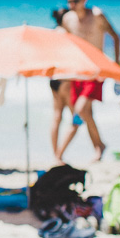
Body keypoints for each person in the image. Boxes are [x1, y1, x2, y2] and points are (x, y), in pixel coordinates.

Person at [55, 0, 120, 162]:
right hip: (77, 71)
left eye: (75, 1)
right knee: (86, 114)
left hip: (95, 70)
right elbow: (64, 44)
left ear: (85, 0)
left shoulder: (97, 15)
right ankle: (99, 146)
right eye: (69, 1)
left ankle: (59, 155)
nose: (71, 5)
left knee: (79, 111)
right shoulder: (68, 19)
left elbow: (115, 36)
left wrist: (115, 63)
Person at [49, 8, 82, 163]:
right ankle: (59, 155)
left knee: (57, 117)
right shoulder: (67, 34)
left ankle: (56, 153)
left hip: (53, 78)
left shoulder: (53, 33)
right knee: (76, 117)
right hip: (66, 79)